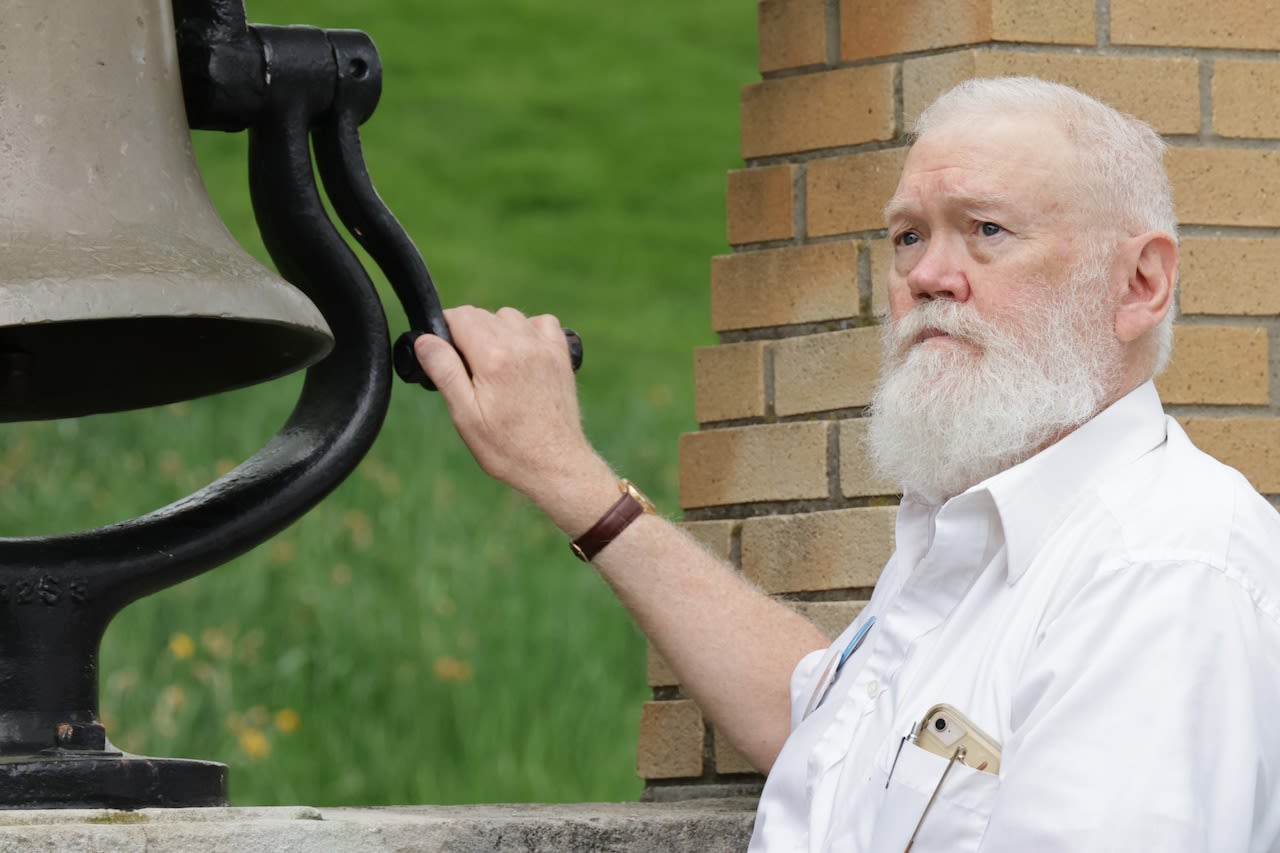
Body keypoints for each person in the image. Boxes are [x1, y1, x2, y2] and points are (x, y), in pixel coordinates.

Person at [412, 77, 1280, 851]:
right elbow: (825, 732)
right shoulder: (975, 535)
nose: (931, 275)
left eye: (987, 230)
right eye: (908, 237)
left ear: (1139, 285)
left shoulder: (1161, 573)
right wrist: (566, 476)